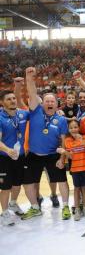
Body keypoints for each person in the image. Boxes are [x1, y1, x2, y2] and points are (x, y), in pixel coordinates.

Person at [22, 67, 71, 220]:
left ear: (57, 104)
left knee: (62, 180)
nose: (50, 103)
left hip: (52, 155)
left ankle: (65, 207)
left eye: (52, 101)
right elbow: (32, 92)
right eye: (47, 101)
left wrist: (62, 159)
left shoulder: (61, 120)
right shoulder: (36, 111)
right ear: (43, 103)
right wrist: (29, 78)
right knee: (28, 182)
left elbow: (63, 142)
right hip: (34, 155)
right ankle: (35, 207)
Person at [0, 90, 29, 225]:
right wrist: (7, 150)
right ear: (2, 102)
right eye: (8, 99)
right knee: (6, 187)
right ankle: (4, 212)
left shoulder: (22, 113)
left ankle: (13, 203)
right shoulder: (0, 117)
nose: (12, 100)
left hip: (21, 156)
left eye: (13, 98)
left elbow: (38, 113)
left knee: (17, 184)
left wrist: (58, 112)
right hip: (5, 157)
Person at [58, 120, 85, 221]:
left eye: (76, 127)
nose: (74, 129)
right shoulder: (67, 140)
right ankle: (77, 209)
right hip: (75, 169)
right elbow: (71, 156)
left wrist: (82, 141)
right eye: (71, 128)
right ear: (68, 129)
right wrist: (64, 152)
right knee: (77, 189)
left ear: (79, 128)